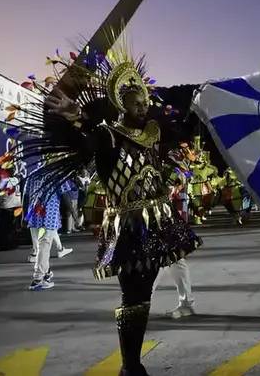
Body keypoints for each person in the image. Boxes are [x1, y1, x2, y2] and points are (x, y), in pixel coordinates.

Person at [12, 44, 201, 375]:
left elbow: (187, 125)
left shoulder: (156, 132)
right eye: (135, 103)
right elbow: (82, 145)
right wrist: (73, 118)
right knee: (133, 295)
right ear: (120, 103)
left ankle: (132, 364)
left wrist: (205, 102)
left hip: (160, 221)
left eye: (145, 102)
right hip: (129, 226)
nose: (142, 107)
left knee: (145, 291)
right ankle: (130, 365)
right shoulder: (106, 137)